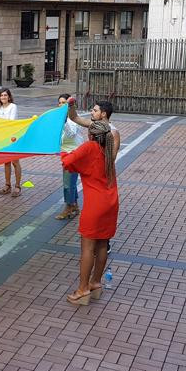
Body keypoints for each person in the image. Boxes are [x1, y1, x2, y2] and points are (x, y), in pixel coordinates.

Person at [61, 120, 119, 305]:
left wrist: (63, 152)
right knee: (102, 244)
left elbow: (68, 162)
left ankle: (82, 289)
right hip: (110, 202)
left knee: (87, 248)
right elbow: (87, 168)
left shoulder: (89, 147)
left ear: (91, 135)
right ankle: (95, 283)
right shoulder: (107, 150)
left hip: (95, 205)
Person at [56, 94, 85, 219]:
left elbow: (71, 134)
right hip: (65, 153)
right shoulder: (58, 118)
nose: (62, 105)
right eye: (60, 103)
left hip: (74, 154)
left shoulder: (74, 119)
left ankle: (68, 207)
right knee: (71, 181)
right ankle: (75, 205)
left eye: (64, 102)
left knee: (68, 183)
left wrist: (64, 122)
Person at [0, 88, 22, 197]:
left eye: (5, 95)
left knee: (15, 162)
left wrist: (0, 125)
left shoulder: (13, 107)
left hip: (13, 137)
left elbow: (11, 122)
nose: (3, 97)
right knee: (6, 162)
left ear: (9, 97)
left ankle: (18, 186)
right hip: (3, 138)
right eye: (1, 96)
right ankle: (7, 185)